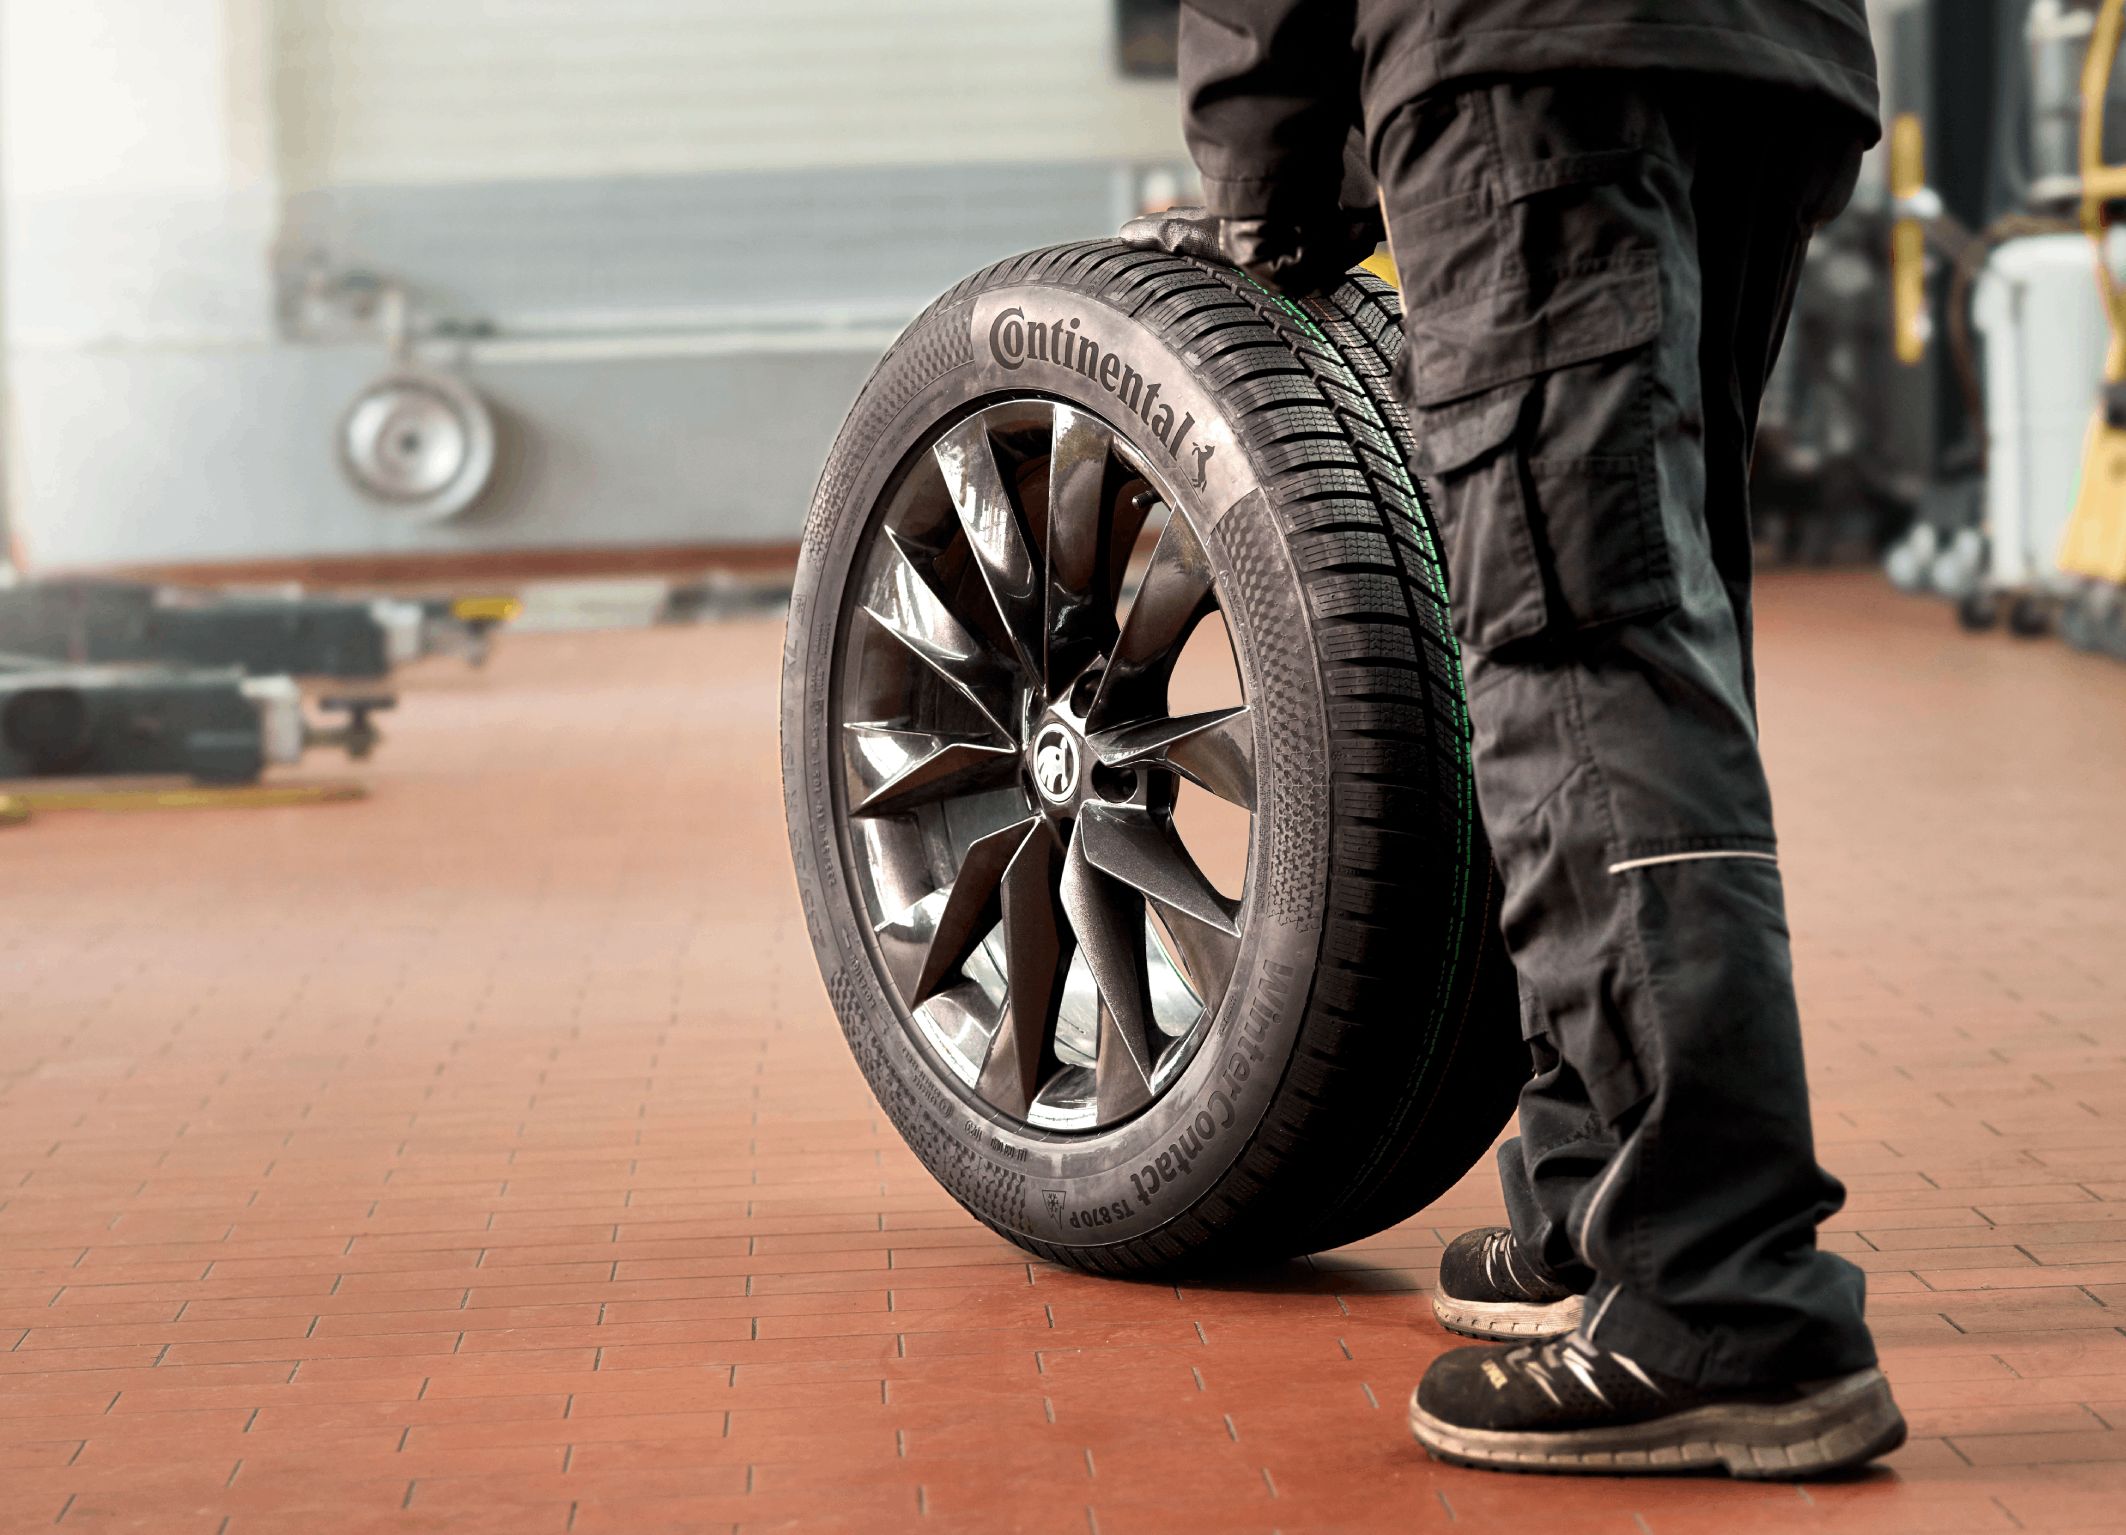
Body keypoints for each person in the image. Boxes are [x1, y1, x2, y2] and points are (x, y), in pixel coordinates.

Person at [1123, 0, 1906, 1478]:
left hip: (1533, 59)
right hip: (1768, 62)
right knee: (1656, 611)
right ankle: (1586, 1194)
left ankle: (1718, 1294)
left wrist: (1264, 185)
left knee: (1577, 638)